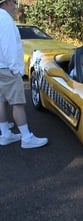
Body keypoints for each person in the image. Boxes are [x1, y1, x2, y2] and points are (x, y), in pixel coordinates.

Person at [0, 0, 48, 149]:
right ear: (7, 3)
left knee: (1, 101)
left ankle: (5, 134)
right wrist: (16, 70)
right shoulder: (6, 20)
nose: (16, 6)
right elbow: (8, 47)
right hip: (8, 68)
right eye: (14, 3)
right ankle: (26, 138)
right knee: (18, 103)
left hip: (1, 67)